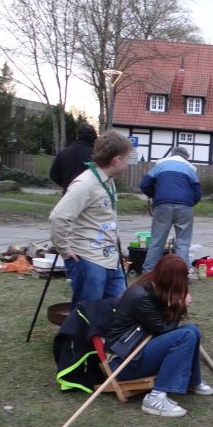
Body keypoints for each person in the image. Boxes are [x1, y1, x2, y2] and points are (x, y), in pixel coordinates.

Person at [104, 254, 212, 417]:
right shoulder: (141, 296)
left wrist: (176, 303)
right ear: (172, 280)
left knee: (192, 330)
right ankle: (155, 398)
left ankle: (192, 380)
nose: (186, 282)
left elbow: (161, 326)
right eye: (183, 278)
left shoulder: (155, 287)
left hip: (139, 350)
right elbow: (163, 330)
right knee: (186, 335)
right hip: (126, 362)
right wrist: (180, 306)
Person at [49, 130, 133, 307]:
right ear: (116, 160)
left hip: (110, 258)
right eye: (127, 159)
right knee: (88, 310)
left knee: (120, 306)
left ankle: (106, 335)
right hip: (88, 259)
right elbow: (59, 217)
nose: (128, 163)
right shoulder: (85, 184)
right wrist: (64, 249)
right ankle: (79, 336)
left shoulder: (107, 180)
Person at [139, 147, 201, 274]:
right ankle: (182, 275)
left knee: (157, 241)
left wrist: (155, 196)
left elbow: (144, 185)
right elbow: (198, 193)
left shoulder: (161, 164)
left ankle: (148, 272)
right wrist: (189, 203)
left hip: (163, 205)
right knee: (183, 243)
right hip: (185, 207)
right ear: (186, 156)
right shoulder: (190, 168)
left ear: (172, 154)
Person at [49, 123, 97, 192]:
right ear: (94, 138)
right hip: (89, 194)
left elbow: (53, 175)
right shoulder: (96, 155)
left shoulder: (63, 153)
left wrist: (66, 185)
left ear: (77, 136)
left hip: (68, 193)